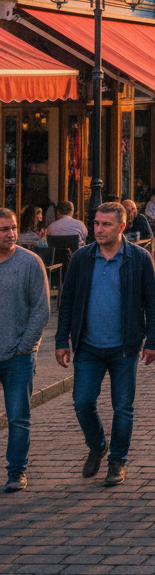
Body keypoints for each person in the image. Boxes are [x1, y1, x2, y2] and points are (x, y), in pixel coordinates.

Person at [55, 201, 155, 487]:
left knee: (123, 407)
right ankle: (97, 444)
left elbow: (153, 303)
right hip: (88, 345)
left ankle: (117, 461)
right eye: (96, 223)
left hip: (124, 346)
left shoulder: (139, 258)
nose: (99, 229)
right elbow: (67, 302)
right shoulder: (82, 257)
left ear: (122, 227)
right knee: (82, 402)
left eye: (106, 224)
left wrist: (152, 340)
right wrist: (61, 340)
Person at [0, 207, 49, 492]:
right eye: (4, 229)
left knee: (18, 417)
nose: (11, 234)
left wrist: (25, 347)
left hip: (18, 356)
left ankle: (16, 471)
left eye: (13, 228)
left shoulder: (30, 262)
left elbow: (41, 310)